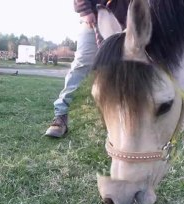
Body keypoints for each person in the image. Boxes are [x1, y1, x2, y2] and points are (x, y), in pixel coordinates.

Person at [45, 0, 129, 137]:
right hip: (94, 17)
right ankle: (61, 115)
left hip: (126, 21)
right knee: (82, 63)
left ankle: (122, 119)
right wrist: (85, 10)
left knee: (125, 69)